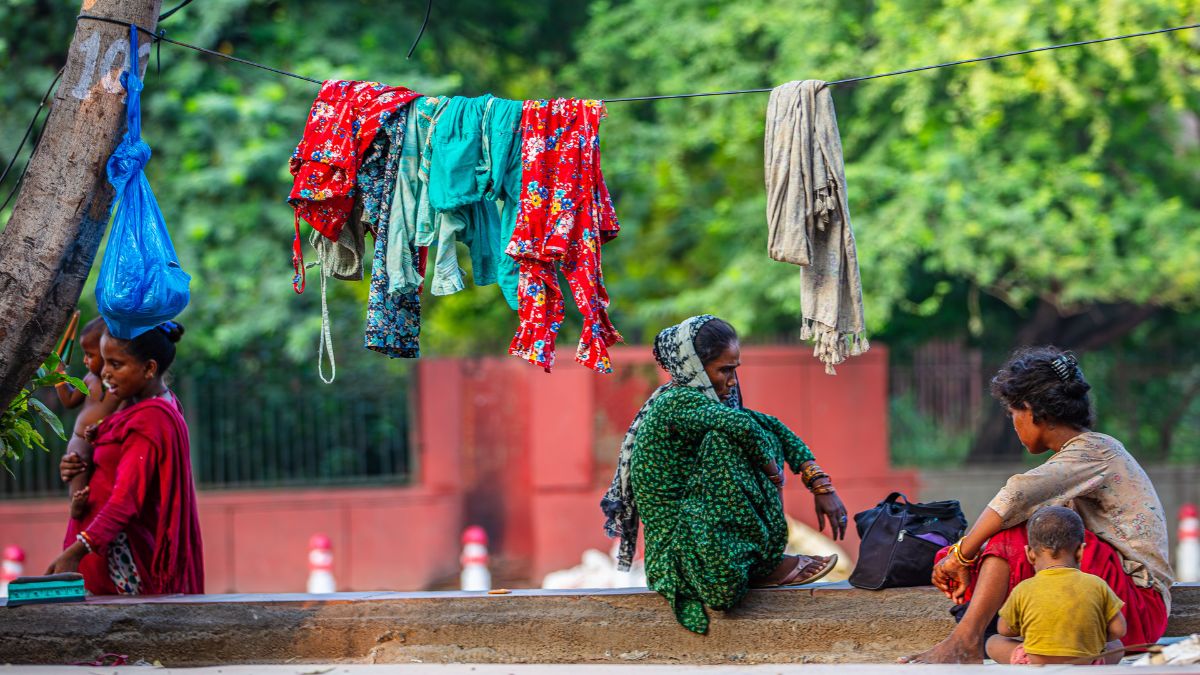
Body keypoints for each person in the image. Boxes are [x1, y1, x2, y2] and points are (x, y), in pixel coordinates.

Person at [902, 347, 1172, 664]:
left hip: (1134, 610)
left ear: (1030, 410)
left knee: (1015, 534)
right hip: (1108, 612)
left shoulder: (1096, 451)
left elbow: (1017, 495)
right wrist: (961, 558)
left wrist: (962, 555)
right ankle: (1000, 641)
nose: (1014, 424)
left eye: (1012, 414)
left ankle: (966, 640)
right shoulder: (1079, 458)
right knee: (1019, 537)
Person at [601, 315, 847, 634]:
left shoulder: (707, 403)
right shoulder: (677, 401)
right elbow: (743, 428)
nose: (732, 381)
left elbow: (770, 426)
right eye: (724, 370)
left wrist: (820, 483)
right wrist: (774, 475)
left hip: (699, 536)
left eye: (734, 370)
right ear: (695, 367)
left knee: (756, 432)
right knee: (725, 440)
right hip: (680, 554)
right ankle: (761, 565)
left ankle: (760, 562)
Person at [48, 321, 204, 595]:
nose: (104, 373)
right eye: (104, 361)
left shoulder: (151, 420)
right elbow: (108, 466)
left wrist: (77, 551)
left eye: (116, 364)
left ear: (149, 368)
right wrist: (75, 466)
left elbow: (125, 500)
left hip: (119, 559)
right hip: (100, 551)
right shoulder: (135, 409)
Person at [986, 506, 1126, 665]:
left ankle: (1027, 662)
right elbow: (1119, 630)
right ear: (1080, 551)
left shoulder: (1023, 588)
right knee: (1117, 646)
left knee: (993, 642)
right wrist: (1089, 636)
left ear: (1030, 554)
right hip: (1086, 663)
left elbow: (1004, 629)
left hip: (1036, 662)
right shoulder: (1097, 584)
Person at [54, 317, 122, 521]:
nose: (85, 360)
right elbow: (69, 400)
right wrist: (59, 377)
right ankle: (76, 500)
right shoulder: (89, 379)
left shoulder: (121, 384)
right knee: (77, 460)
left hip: (104, 439)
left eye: (90, 355)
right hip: (80, 438)